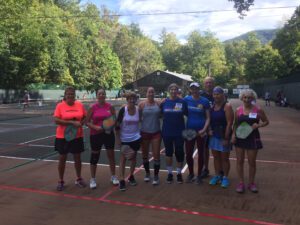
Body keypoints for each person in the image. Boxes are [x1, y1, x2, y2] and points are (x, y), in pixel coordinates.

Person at [232, 89, 269, 193]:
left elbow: (266, 121)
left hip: (253, 138)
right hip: (240, 137)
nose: (247, 99)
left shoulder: (258, 110)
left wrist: (259, 125)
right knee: (239, 161)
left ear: (253, 98)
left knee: (251, 162)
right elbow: (235, 124)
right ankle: (241, 183)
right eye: (245, 97)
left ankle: (251, 183)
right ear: (242, 98)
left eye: (249, 97)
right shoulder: (238, 110)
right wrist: (233, 135)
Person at [53, 86, 87, 191]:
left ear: (74, 95)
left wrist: (81, 123)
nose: (70, 95)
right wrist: (71, 122)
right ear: (65, 95)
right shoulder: (60, 106)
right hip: (62, 137)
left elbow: (85, 117)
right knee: (62, 158)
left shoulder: (80, 105)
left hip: (77, 136)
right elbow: (56, 120)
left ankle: (78, 178)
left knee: (77, 157)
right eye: (68, 94)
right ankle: (61, 181)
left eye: (72, 94)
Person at [86, 88, 119, 189]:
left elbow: (114, 120)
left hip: (108, 135)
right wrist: (96, 127)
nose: (101, 95)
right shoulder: (92, 107)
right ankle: (92, 179)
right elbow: (87, 121)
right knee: (94, 157)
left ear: (105, 95)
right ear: (97, 95)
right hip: (95, 135)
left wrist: (108, 127)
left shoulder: (110, 107)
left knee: (111, 156)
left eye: (103, 94)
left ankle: (113, 176)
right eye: (99, 94)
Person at [184, 82, 210, 184]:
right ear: (190, 90)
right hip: (189, 130)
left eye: (196, 88)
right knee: (188, 153)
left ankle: (199, 175)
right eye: (192, 88)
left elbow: (208, 118)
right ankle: (191, 174)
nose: (194, 90)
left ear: (199, 89)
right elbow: (183, 111)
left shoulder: (205, 101)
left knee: (201, 153)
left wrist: (204, 129)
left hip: (201, 131)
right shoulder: (186, 99)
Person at [160, 83, 187, 184]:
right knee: (168, 153)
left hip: (179, 132)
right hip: (167, 132)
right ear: (169, 90)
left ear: (177, 91)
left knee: (179, 152)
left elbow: (188, 114)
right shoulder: (164, 102)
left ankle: (179, 174)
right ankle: (170, 174)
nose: (173, 91)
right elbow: (159, 114)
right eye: (171, 89)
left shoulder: (182, 102)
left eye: (175, 89)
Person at [208, 87, 234, 188]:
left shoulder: (227, 106)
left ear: (223, 95)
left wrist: (226, 138)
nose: (216, 96)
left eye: (218, 94)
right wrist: (209, 129)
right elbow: (210, 120)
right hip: (214, 136)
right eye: (214, 94)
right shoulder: (212, 106)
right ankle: (217, 175)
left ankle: (225, 178)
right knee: (216, 158)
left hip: (223, 136)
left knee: (225, 159)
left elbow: (229, 123)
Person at [115, 91, 141, 191]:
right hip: (124, 139)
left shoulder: (138, 110)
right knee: (123, 159)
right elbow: (117, 126)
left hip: (135, 138)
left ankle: (131, 176)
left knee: (133, 158)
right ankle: (121, 180)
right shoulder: (123, 110)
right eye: (130, 98)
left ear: (135, 100)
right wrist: (118, 139)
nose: (132, 100)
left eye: (133, 98)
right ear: (127, 100)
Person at [139, 87, 162, 185]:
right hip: (144, 133)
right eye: (149, 92)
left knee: (156, 155)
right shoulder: (142, 104)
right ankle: (147, 173)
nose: (151, 93)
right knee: (145, 155)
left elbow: (162, 115)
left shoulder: (158, 104)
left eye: (152, 92)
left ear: (154, 93)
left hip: (156, 132)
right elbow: (138, 117)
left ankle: (156, 176)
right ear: (147, 93)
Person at [201, 76, 215, 178]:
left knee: (217, 150)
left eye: (210, 82)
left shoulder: (218, 95)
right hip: (205, 126)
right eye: (207, 83)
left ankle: (220, 171)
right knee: (205, 150)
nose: (208, 84)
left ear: (213, 84)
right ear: (204, 84)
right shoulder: (200, 95)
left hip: (217, 126)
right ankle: (205, 169)